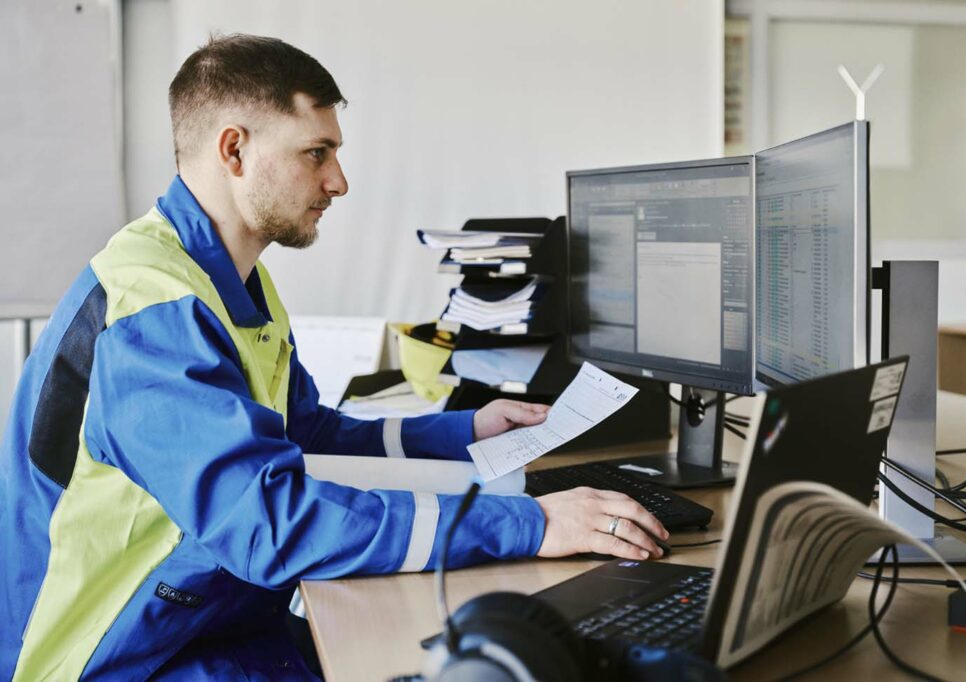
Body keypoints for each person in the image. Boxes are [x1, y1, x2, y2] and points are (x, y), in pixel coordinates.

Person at [0, 34, 667, 680]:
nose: (338, 181)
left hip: (208, 616)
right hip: (121, 655)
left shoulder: (235, 280)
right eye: (317, 153)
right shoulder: (153, 309)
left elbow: (308, 435)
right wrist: (532, 523)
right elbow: (271, 525)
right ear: (234, 149)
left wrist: (464, 431)